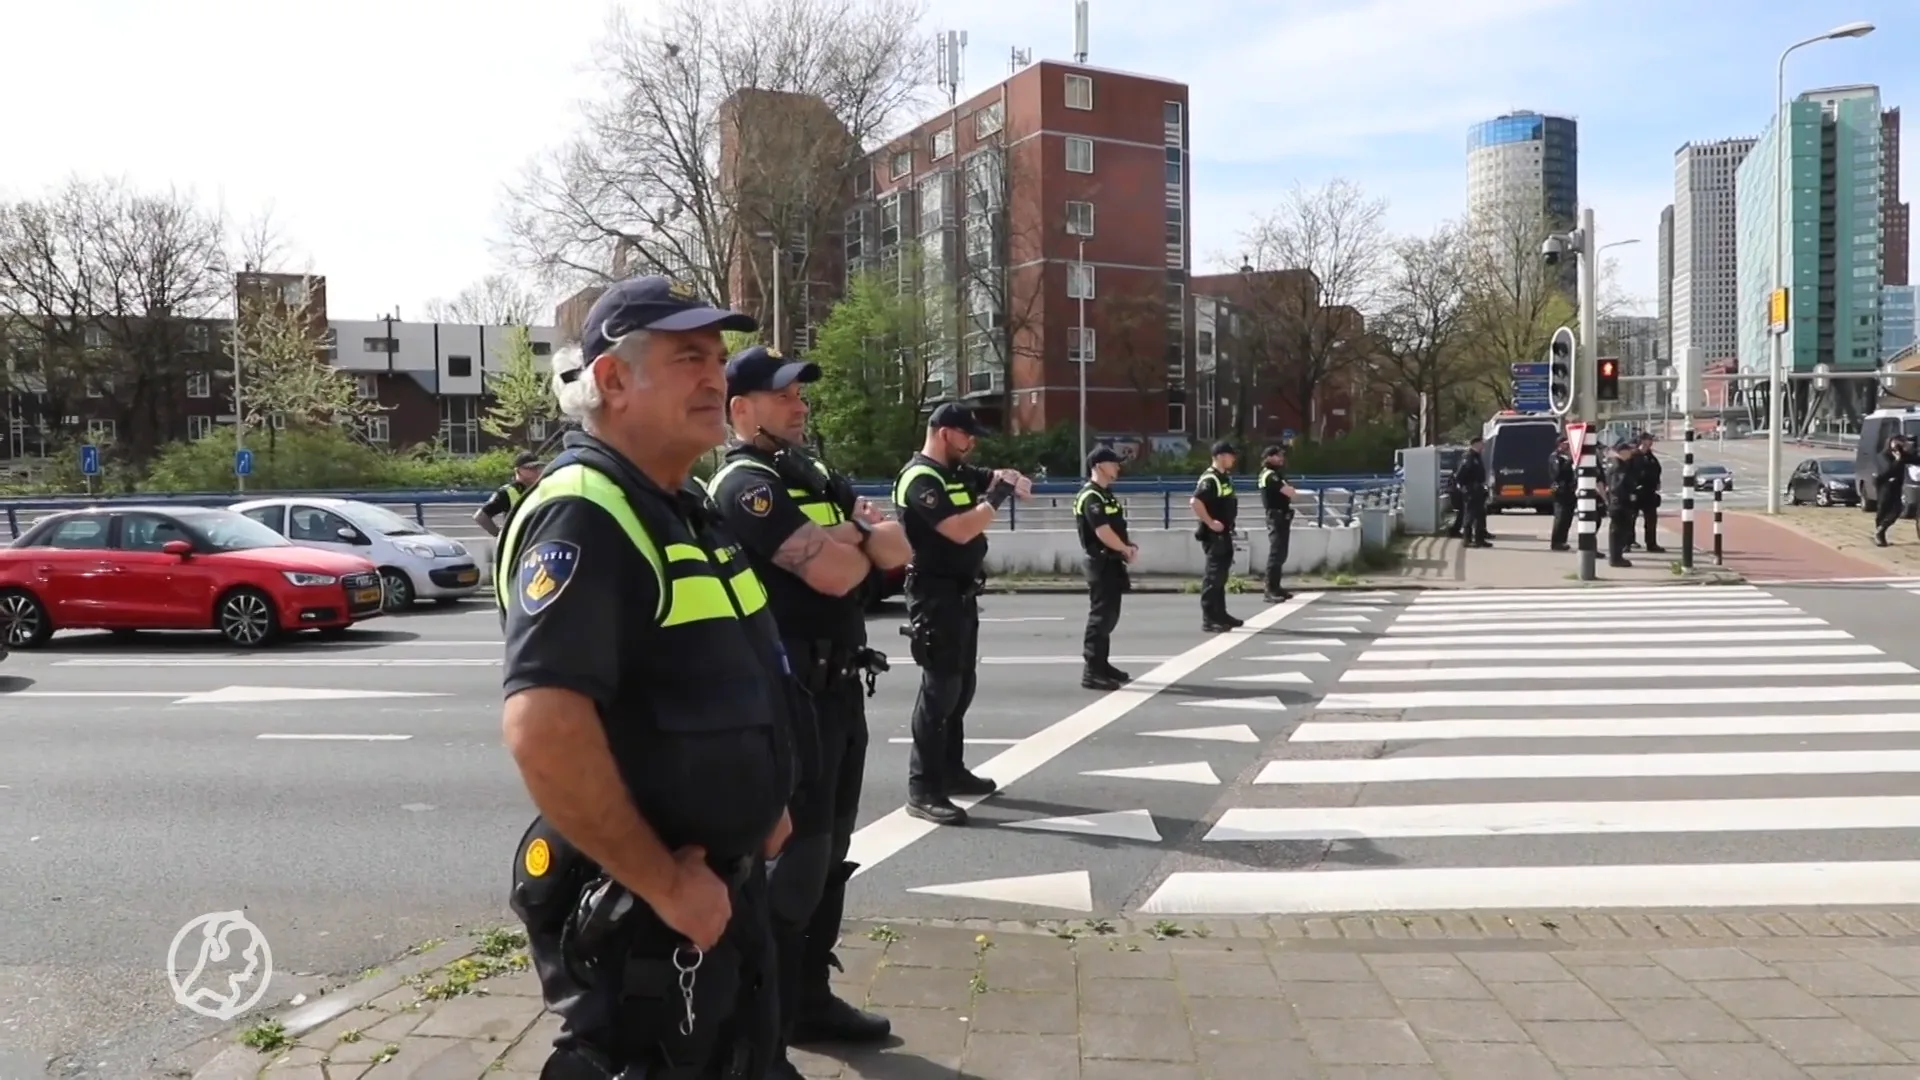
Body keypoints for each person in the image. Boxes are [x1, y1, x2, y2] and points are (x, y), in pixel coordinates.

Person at [496, 275, 797, 1080]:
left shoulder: (680, 505)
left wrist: (763, 804)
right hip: (647, 919)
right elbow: (545, 731)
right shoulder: (586, 511)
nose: (716, 376)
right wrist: (663, 884)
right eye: (689, 356)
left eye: (720, 358)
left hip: (718, 897)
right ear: (612, 379)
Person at [703, 344, 911, 1073]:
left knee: (830, 857)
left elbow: (893, 550)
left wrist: (848, 542)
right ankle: (762, 1018)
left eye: (801, 394)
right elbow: (831, 571)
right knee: (793, 866)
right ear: (742, 409)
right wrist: (854, 543)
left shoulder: (812, 472)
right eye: (786, 394)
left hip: (841, 688)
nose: (802, 405)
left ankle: (807, 995)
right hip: (791, 696)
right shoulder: (745, 484)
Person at [892, 403, 1029, 826]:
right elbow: (960, 529)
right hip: (933, 596)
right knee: (940, 691)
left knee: (962, 685)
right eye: (967, 436)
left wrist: (1010, 477)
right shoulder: (921, 479)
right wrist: (998, 496)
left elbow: (1003, 478)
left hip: (961, 595)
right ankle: (923, 788)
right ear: (945, 433)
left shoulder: (955, 473)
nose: (972, 443)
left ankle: (951, 770)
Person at [1075, 446, 1137, 691]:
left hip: (1111, 562)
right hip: (1100, 562)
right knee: (1100, 618)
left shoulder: (1105, 495)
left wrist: (1127, 545)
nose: (1118, 467)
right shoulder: (1091, 496)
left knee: (1109, 617)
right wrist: (1124, 548)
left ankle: (1102, 664)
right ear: (1099, 466)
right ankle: (1092, 670)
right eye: (1113, 463)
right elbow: (1102, 531)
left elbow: (1115, 527)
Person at [1189, 440, 1243, 631]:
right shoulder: (1210, 479)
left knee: (1221, 576)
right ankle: (1209, 618)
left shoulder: (1223, 477)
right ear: (1220, 456)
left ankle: (1221, 614)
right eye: (1230, 455)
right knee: (1213, 577)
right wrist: (1211, 522)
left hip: (1224, 533)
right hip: (1214, 535)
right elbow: (1195, 501)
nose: (1233, 459)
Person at [1255, 444, 1298, 602]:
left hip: (1282, 516)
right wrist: (1289, 489)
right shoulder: (1270, 475)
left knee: (1281, 553)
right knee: (1276, 553)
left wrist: (1289, 489)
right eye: (1277, 455)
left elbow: (1291, 492)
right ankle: (1270, 589)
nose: (1281, 458)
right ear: (1269, 457)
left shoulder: (1276, 474)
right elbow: (1290, 492)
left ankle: (1276, 586)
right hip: (1276, 516)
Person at [475, 451, 544, 537]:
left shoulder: (543, 488)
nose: (535, 471)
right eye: (529, 468)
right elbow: (481, 516)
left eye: (537, 467)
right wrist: (500, 536)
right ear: (518, 471)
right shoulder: (507, 492)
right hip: (518, 544)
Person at [1453, 436, 1491, 547]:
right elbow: (1460, 475)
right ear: (1475, 444)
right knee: (1469, 515)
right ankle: (1467, 540)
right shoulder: (1468, 457)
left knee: (1480, 516)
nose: (1483, 446)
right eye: (1481, 444)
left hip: (1478, 490)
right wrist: (1464, 487)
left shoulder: (1477, 457)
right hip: (1470, 491)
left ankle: (1480, 539)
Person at [1606, 440, 1638, 568]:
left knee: (1620, 531)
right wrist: (1628, 495)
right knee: (1617, 531)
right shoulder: (1619, 466)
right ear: (1622, 452)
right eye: (1628, 451)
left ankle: (1617, 556)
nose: (1631, 453)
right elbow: (1617, 487)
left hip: (1618, 502)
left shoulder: (1620, 464)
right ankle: (1615, 558)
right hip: (1619, 503)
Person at [1874, 434, 1909, 546]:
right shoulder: (1883, 455)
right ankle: (1880, 534)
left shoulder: (1902, 455)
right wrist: (1897, 460)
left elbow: (1914, 459)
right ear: (1889, 442)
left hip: (1896, 486)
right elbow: (1887, 470)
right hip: (1885, 486)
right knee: (1883, 509)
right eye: (1896, 442)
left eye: (1901, 442)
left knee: (1897, 509)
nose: (1898, 445)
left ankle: (1881, 529)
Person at [1634, 432, 1666, 553]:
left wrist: (1657, 482)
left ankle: (1651, 543)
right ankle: (1629, 541)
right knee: (1631, 518)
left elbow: (1656, 469)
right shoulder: (1635, 455)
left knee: (1651, 519)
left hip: (1649, 492)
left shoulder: (1650, 455)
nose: (1651, 442)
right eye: (1648, 440)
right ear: (1642, 441)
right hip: (1636, 491)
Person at [1548, 436, 1576, 551]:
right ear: (1559, 444)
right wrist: (1569, 461)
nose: (1567, 446)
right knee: (1561, 516)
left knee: (1567, 517)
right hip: (1559, 489)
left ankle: (1563, 540)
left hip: (1569, 489)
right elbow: (1557, 473)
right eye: (1565, 444)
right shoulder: (1555, 457)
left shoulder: (1567, 456)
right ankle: (1556, 542)